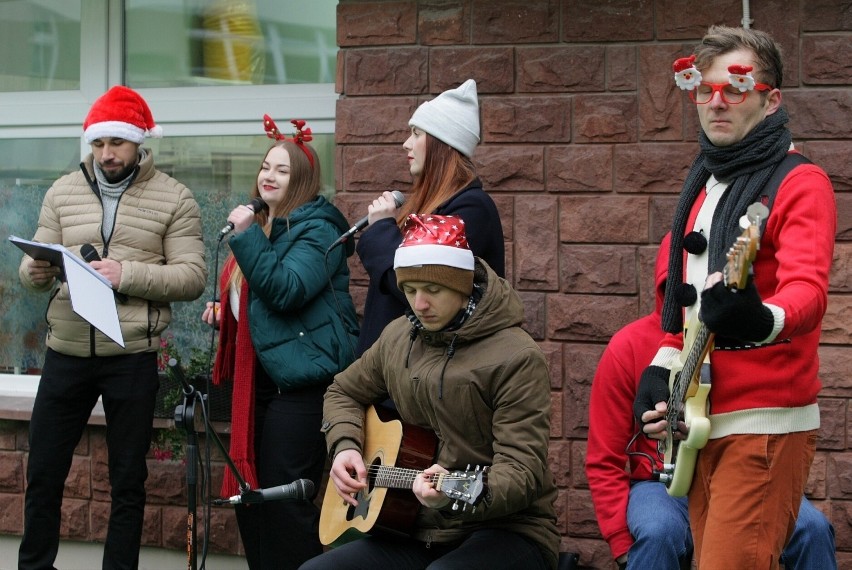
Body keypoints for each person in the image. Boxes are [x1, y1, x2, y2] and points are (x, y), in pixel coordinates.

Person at [632, 26, 837, 568]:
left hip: (763, 423)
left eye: (737, 87)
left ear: (772, 100)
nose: (716, 102)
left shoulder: (800, 182)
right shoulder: (702, 185)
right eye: (705, 88)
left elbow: (807, 293)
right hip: (698, 419)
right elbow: (681, 309)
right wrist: (661, 370)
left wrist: (756, 316)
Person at [300, 214, 559, 570]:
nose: (419, 305)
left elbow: (522, 472)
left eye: (433, 290)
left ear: (462, 284)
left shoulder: (516, 356)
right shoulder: (397, 337)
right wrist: (346, 447)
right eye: (409, 291)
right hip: (415, 527)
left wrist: (452, 492)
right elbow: (343, 391)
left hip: (506, 528)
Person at [17, 85, 207, 570]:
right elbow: (39, 253)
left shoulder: (175, 197)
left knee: (127, 481)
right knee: (42, 474)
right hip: (66, 351)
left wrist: (128, 273)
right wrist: (33, 273)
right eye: (98, 144)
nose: (106, 154)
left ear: (140, 142)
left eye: (116, 144)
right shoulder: (62, 190)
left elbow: (192, 277)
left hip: (132, 357)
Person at [587, 235, 836, 569]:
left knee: (812, 530)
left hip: (740, 467)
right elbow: (605, 457)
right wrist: (621, 543)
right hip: (661, 483)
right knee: (659, 532)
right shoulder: (627, 345)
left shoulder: (746, 338)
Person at [201, 116, 360, 570]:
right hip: (263, 384)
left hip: (306, 386)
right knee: (250, 498)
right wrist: (227, 315)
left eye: (282, 170)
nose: (267, 176)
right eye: (265, 167)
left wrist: (246, 235)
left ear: (302, 181)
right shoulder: (267, 226)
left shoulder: (319, 231)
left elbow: (286, 289)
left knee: (284, 499)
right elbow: (260, 302)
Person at [354, 78, 504, 356]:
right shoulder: (435, 205)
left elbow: (420, 287)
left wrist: (382, 229)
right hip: (398, 378)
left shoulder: (471, 209)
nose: (405, 143)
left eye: (416, 133)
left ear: (441, 143)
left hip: (423, 384)